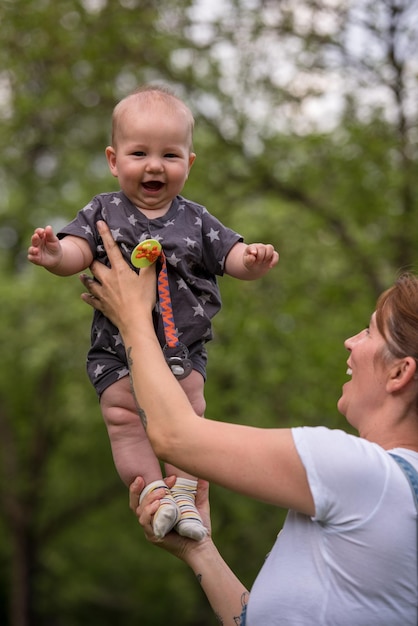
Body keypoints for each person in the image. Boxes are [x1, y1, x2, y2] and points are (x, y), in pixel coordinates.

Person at [80, 220, 418, 625]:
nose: (351, 341)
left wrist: (133, 317)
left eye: (370, 331)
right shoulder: (385, 495)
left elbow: (174, 436)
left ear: (400, 373)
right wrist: (198, 549)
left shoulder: (363, 476)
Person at [27, 85, 279, 542]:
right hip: (116, 349)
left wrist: (252, 261)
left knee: (187, 419)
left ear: (189, 162)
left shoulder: (197, 219)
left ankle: (184, 491)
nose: (154, 165)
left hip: (181, 348)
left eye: (170, 155)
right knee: (122, 417)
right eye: (139, 152)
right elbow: (80, 251)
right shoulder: (103, 209)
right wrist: (55, 255)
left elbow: (230, 256)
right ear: (113, 159)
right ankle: (152, 494)